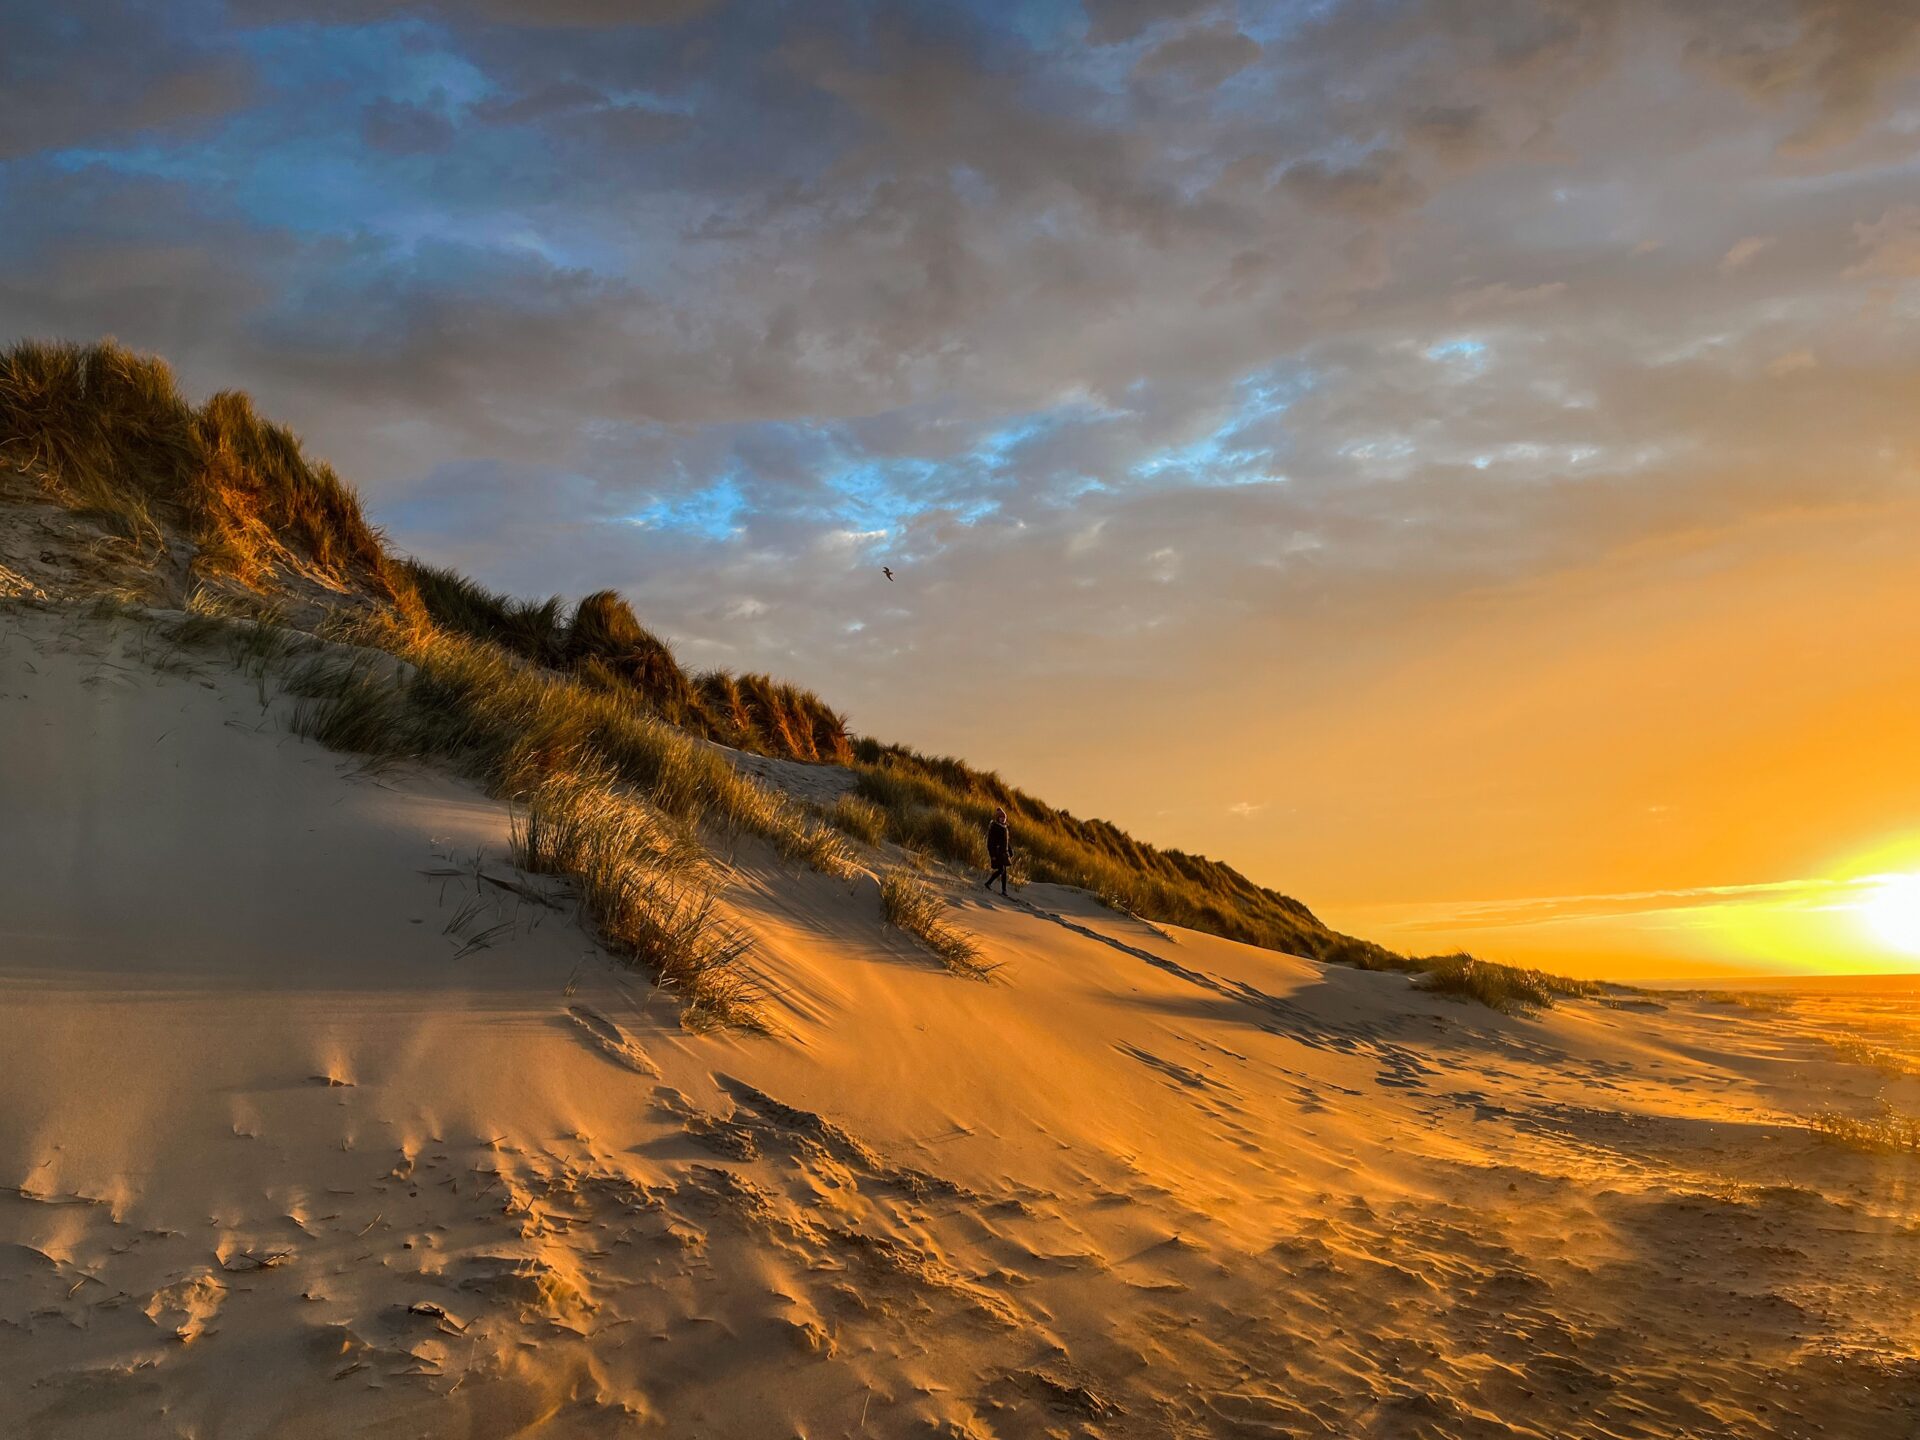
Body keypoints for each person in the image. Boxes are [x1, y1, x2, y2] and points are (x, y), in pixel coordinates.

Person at [984, 806, 1011, 896]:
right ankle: (988, 883)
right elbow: (990, 843)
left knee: (1004, 872)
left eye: (1004, 818)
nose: (1003, 819)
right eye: (1001, 817)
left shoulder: (1005, 828)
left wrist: (1010, 851)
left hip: (1004, 853)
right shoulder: (994, 827)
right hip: (997, 852)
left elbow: (1006, 841)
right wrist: (993, 855)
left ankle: (1004, 890)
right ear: (998, 818)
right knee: (1001, 870)